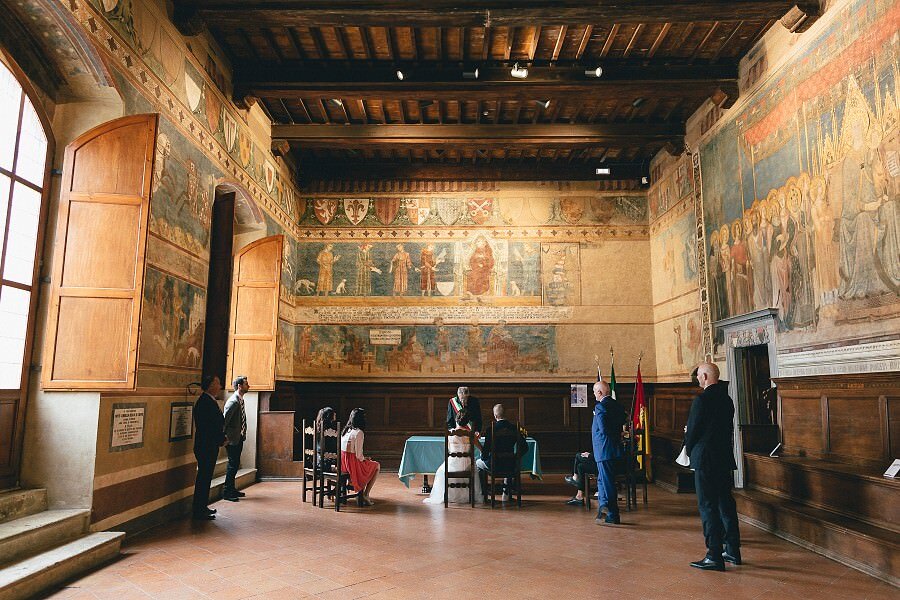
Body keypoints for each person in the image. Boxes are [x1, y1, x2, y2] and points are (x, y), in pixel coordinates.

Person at [685, 362, 741, 571]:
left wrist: (690, 451)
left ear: (706, 376)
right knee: (725, 503)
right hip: (723, 458)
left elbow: (692, 433)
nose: (698, 379)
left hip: (705, 459)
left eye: (699, 376)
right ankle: (732, 550)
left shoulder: (701, 400)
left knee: (707, 506)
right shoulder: (727, 400)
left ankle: (714, 555)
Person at [424, 409, 483, 504]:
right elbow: (481, 448)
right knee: (475, 468)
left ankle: (448, 495)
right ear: (468, 421)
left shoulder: (450, 433)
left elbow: (449, 450)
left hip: (453, 464)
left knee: (441, 471)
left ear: (456, 420)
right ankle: (469, 496)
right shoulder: (471, 434)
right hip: (467, 465)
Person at [592, 380, 626, 524]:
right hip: (614, 449)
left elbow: (604, 429)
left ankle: (613, 514)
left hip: (604, 449)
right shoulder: (617, 405)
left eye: (594, 392)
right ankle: (603, 509)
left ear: (600, 392)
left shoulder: (600, 407)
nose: (594, 394)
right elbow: (623, 419)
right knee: (602, 480)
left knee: (607, 482)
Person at [476, 403, 526, 501]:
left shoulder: (491, 429)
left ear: (495, 416)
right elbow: (525, 447)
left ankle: (483, 494)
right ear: (505, 414)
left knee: (478, 463)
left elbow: (485, 453)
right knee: (508, 464)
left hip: (494, 464)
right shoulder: (514, 428)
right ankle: (506, 494)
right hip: (510, 464)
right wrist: (515, 457)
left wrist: (483, 457)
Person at [192, 375, 225, 520]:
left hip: (208, 444)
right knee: (203, 478)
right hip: (206, 445)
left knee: (206, 478)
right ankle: (199, 510)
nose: (220, 386)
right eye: (217, 383)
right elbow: (209, 427)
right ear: (210, 385)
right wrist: (220, 439)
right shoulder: (205, 402)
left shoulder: (209, 401)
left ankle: (202, 507)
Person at [341, 408, 381, 506]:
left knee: (370, 462)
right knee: (377, 465)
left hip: (344, 464)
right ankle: (366, 494)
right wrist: (365, 458)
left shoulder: (346, 430)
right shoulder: (359, 432)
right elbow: (359, 456)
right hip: (352, 465)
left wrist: (364, 458)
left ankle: (357, 487)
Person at [222, 375, 249, 502]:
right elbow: (224, 420)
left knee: (235, 464)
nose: (248, 386)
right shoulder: (233, 401)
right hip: (231, 439)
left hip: (238, 437)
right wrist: (224, 436)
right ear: (240, 386)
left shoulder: (240, 400)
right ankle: (227, 492)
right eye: (246, 384)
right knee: (232, 465)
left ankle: (232, 489)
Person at [315, 406, 338, 472]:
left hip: (318, 460)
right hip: (326, 463)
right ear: (329, 416)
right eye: (333, 413)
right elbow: (333, 447)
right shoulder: (330, 431)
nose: (335, 414)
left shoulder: (319, 428)